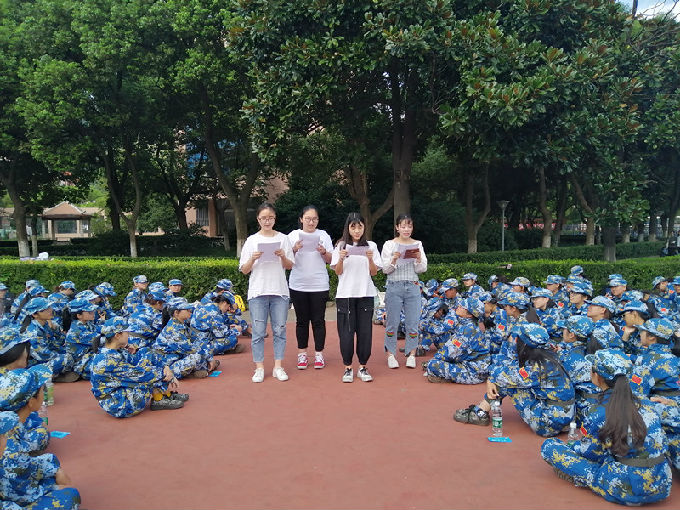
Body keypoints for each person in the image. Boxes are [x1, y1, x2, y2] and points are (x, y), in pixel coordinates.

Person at [541, 349, 672, 506]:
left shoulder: (597, 412)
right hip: (661, 484)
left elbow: (590, 453)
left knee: (549, 447)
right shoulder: (646, 402)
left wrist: (572, 446)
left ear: (597, 376)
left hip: (625, 488)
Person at [239, 203, 294, 383]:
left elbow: (290, 265)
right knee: (258, 331)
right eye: (264, 218)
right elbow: (244, 269)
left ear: (275, 219)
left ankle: (278, 366)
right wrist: (253, 258)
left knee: (280, 330)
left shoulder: (283, 239)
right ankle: (259, 368)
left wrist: (282, 256)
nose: (267, 221)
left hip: (279, 291)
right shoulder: (251, 240)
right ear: (258, 219)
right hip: (258, 291)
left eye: (270, 218)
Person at [90, 316, 187, 417]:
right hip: (119, 404)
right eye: (127, 333)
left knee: (146, 353)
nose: (129, 335)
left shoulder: (112, 350)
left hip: (120, 391)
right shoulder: (108, 360)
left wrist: (165, 366)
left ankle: (163, 394)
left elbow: (140, 358)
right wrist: (168, 374)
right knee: (149, 376)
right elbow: (142, 375)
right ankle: (160, 398)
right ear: (117, 335)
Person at [331, 212, 382, 383]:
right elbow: (337, 271)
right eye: (353, 227)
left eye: (360, 226)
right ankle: (347, 368)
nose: (357, 230)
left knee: (365, 332)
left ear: (364, 227)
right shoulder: (341, 246)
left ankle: (362, 366)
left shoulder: (371, 246)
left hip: (365, 293)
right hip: (345, 294)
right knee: (346, 333)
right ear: (348, 228)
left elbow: (374, 272)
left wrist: (370, 259)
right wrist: (340, 258)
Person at [0, 409, 81, 509]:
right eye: (4, 435)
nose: (7, 439)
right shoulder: (10, 456)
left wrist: (56, 471)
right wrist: (50, 489)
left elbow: (31, 465)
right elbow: (20, 497)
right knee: (70, 496)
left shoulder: (11, 449)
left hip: (18, 493)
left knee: (51, 461)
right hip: (15, 502)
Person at [287, 205, 333, 370]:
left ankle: (319, 354)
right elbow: (285, 261)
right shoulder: (292, 236)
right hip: (298, 284)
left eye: (314, 219)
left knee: (318, 321)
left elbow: (331, 260)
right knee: (301, 321)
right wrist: (294, 249)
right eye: (308, 219)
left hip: (319, 284)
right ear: (301, 219)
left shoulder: (323, 235)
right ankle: (302, 354)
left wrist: (323, 252)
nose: (311, 222)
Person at [381, 213, 427, 369]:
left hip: (413, 285)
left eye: (409, 226)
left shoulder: (418, 244)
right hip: (394, 286)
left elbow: (422, 269)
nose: (406, 229)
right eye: (403, 226)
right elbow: (385, 270)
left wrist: (418, 258)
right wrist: (394, 259)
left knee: (413, 323)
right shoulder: (389, 244)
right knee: (392, 323)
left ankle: (411, 354)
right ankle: (391, 354)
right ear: (397, 227)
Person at [425, 297, 489, 384]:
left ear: (470, 315)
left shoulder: (468, 329)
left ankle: (445, 377)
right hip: (473, 365)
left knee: (433, 365)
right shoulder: (467, 324)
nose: (459, 306)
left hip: (474, 372)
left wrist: (437, 358)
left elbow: (452, 352)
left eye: (463, 307)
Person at [153, 298, 219, 379]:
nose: (190, 311)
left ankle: (201, 368)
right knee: (196, 357)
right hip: (165, 365)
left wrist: (208, 354)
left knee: (205, 345)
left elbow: (197, 339)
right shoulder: (173, 330)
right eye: (187, 310)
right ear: (176, 312)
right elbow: (191, 349)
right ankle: (198, 369)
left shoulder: (181, 324)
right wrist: (209, 358)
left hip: (177, 357)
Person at [20, 298, 78, 383]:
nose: (50, 310)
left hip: (47, 359)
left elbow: (59, 343)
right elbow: (42, 355)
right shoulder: (33, 331)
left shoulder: (46, 325)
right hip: (36, 364)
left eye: (49, 307)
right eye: (45, 309)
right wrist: (65, 355)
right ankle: (46, 377)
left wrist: (56, 330)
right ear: (35, 314)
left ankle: (54, 375)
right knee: (67, 358)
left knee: (72, 354)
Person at [64, 299, 102, 381]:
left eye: (93, 311)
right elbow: (101, 340)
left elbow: (103, 329)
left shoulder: (88, 324)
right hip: (82, 364)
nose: (93, 313)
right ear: (79, 315)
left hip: (90, 357)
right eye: (89, 312)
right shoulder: (76, 331)